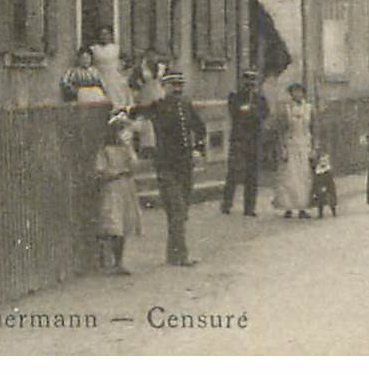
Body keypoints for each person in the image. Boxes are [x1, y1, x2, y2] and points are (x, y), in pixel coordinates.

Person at [141, 70, 206, 266]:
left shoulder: (186, 105)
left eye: (180, 85)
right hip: (166, 166)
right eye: (173, 85)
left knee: (181, 211)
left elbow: (200, 128)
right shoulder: (158, 107)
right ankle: (181, 256)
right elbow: (138, 117)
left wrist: (198, 150)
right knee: (176, 209)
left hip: (185, 165)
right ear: (165, 87)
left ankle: (173, 255)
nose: (177, 89)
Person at [94, 113, 141, 275]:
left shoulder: (126, 149)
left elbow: (134, 165)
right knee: (113, 223)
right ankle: (110, 260)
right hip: (113, 187)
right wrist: (114, 173)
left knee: (123, 223)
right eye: (119, 130)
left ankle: (118, 261)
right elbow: (100, 170)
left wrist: (128, 148)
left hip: (125, 187)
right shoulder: (105, 150)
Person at [222, 70, 268, 217]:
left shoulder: (260, 99)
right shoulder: (235, 97)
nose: (249, 85)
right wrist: (247, 111)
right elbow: (234, 111)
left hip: (254, 140)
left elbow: (264, 113)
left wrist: (251, 110)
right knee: (234, 172)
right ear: (242, 82)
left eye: (252, 82)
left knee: (252, 175)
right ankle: (227, 204)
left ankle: (249, 208)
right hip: (239, 139)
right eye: (247, 82)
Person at [272, 82, 315, 219]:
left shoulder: (309, 109)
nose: (297, 94)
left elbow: (315, 129)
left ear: (303, 93)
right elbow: (280, 130)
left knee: (304, 177)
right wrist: (282, 147)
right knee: (289, 177)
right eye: (294, 92)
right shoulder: (286, 109)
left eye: (300, 91)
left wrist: (314, 147)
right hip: (290, 145)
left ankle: (302, 208)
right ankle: (288, 207)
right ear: (291, 94)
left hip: (305, 145)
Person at [89, 26, 134, 109]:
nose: (104, 36)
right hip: (100, 76)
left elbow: (128, 62)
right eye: (101, 34)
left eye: (106, 34)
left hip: (115, 77)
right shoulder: (94, 49)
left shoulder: (116, 48)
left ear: (110, 35)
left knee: (118, 98)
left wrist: (125, 74)